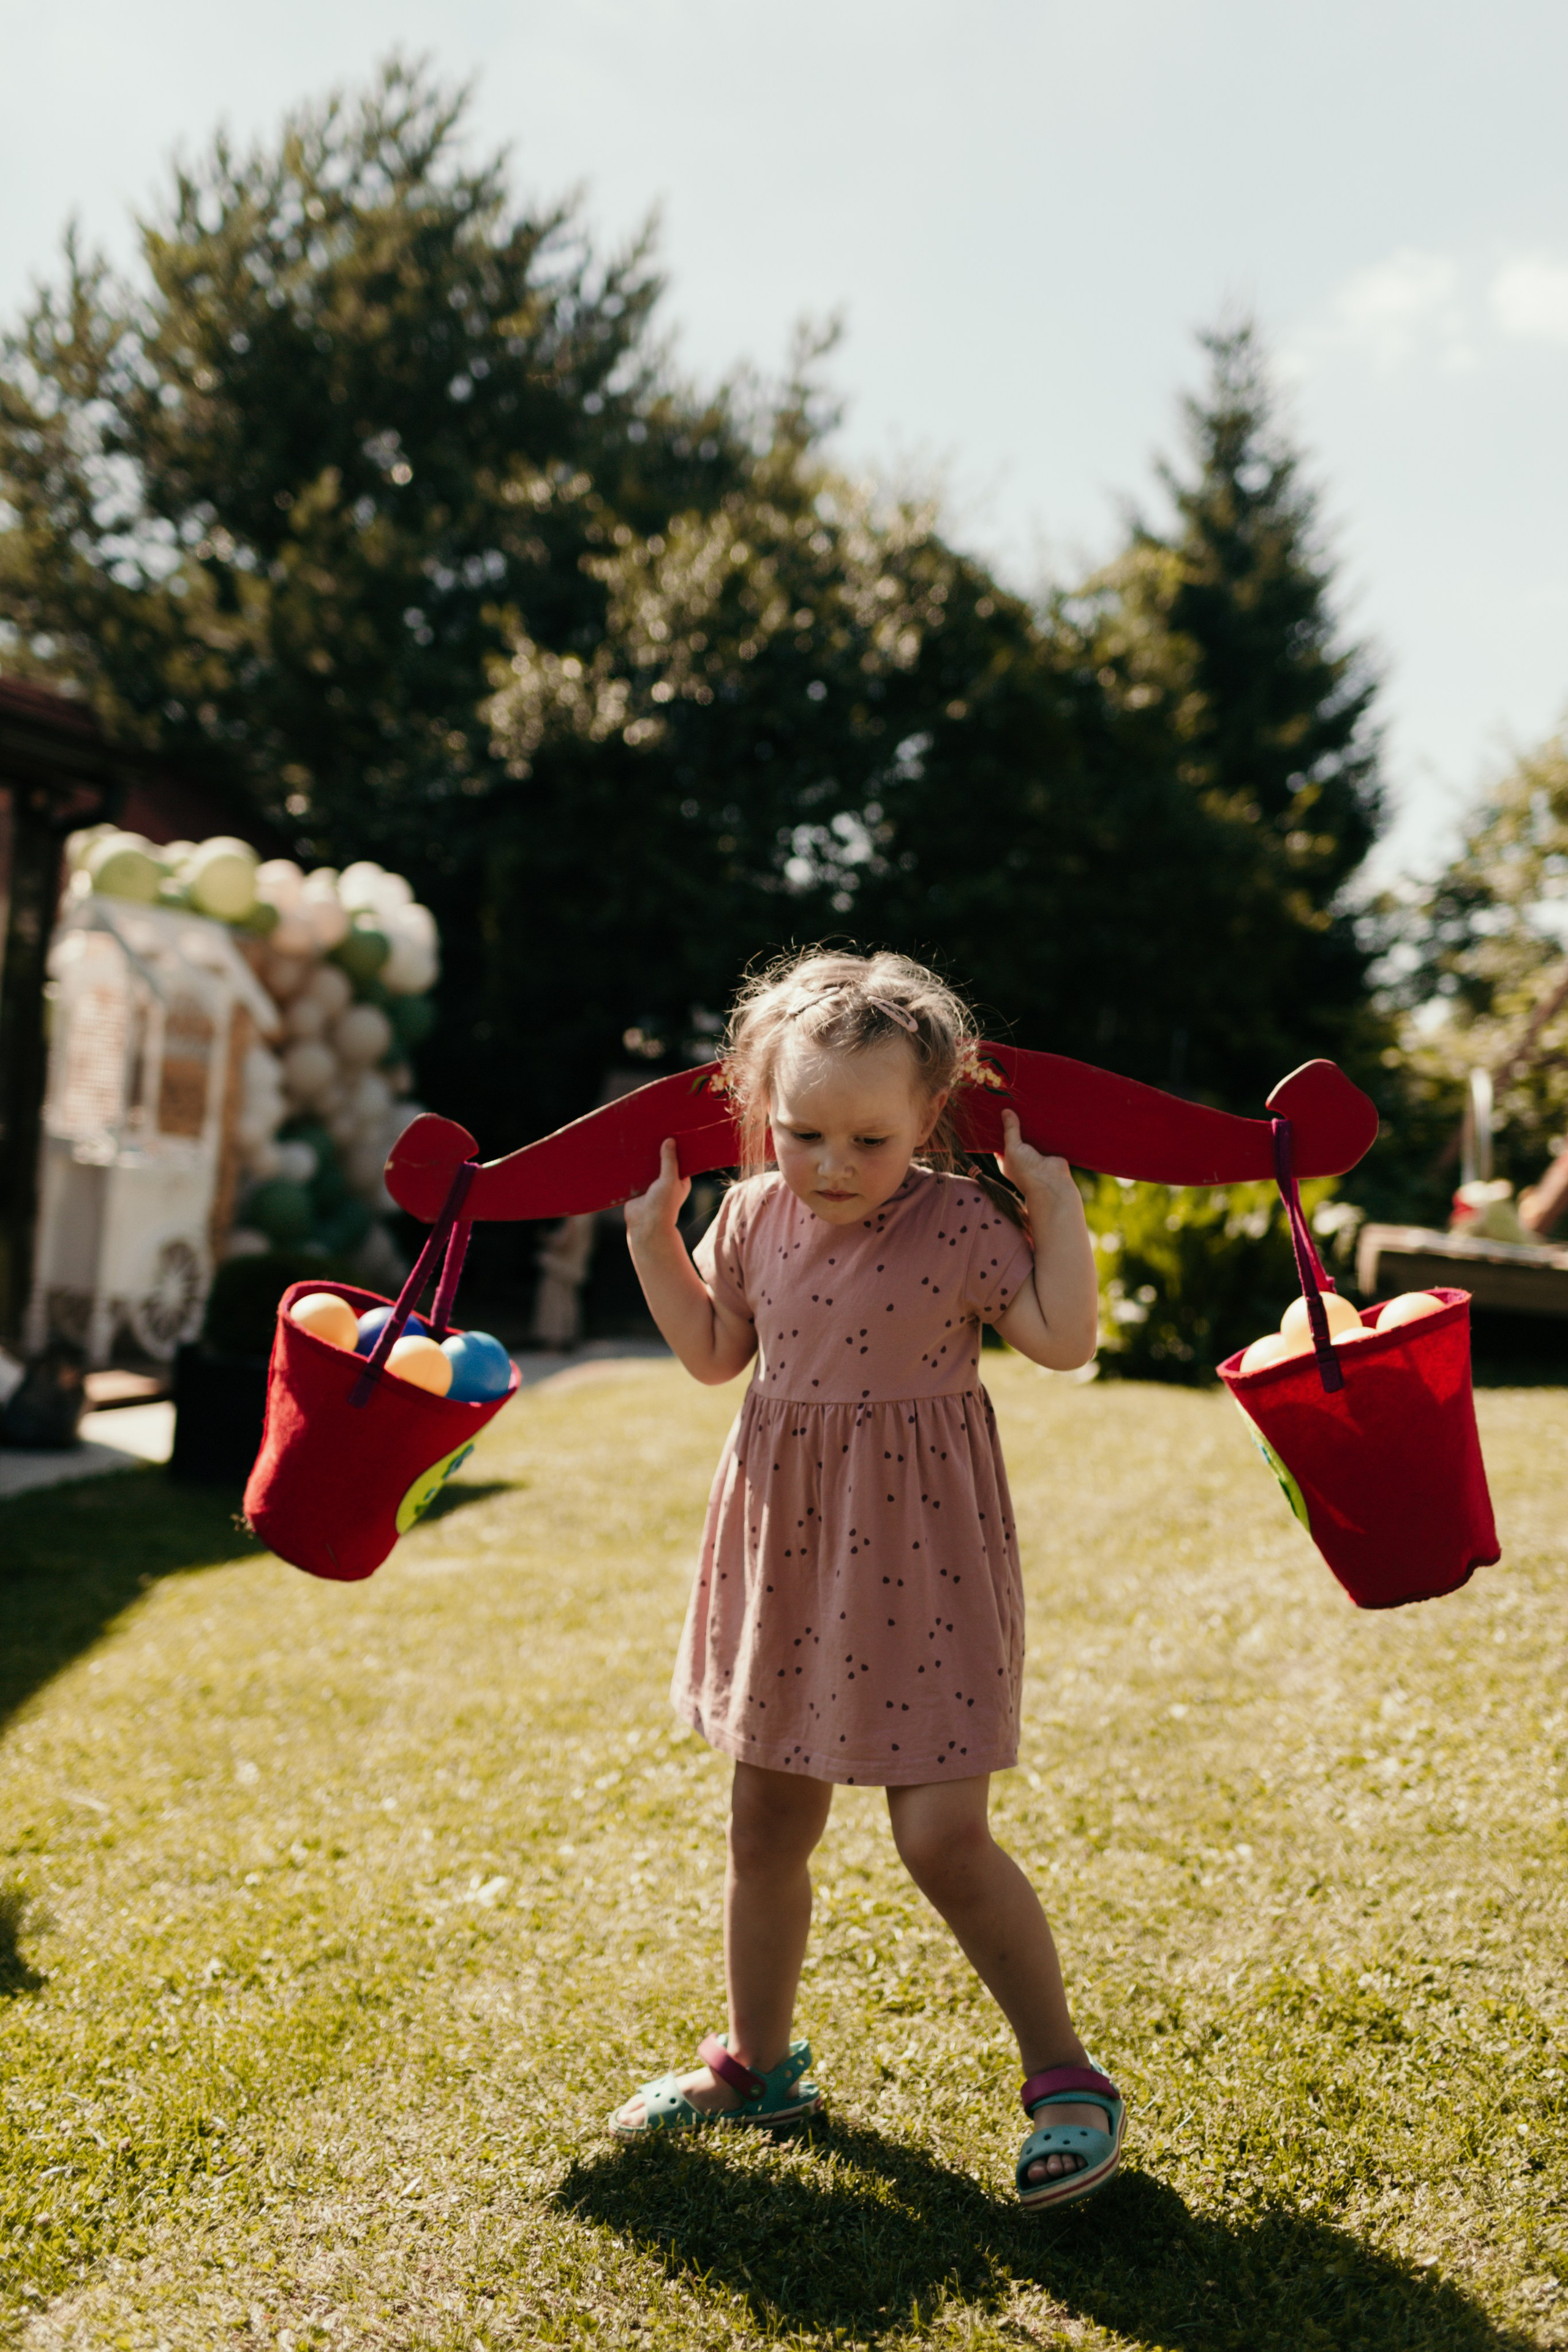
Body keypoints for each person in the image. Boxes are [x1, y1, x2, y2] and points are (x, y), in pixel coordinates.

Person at [612, 948, 1122, 2210]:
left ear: (929, 1118)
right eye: (803, 1133)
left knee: (941, 1833)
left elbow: (1061, 1343)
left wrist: (1052, 1213)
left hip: (922, 1559)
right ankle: (755, 2065)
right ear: (758, 1110)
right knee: (765, 1822)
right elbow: (714, 1355)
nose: (833, 1164)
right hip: (789, 1554)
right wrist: (652, 1244)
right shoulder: (750, 1213)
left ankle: (1066, 2081)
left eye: (870, 1139)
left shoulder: (957, 1223)